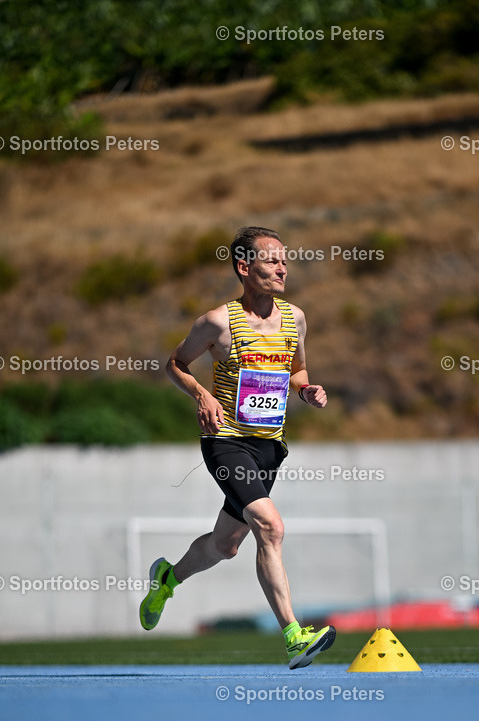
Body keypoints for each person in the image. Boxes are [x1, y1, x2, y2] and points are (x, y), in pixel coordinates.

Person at [139, 226, 336, 669]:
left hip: (269, 446)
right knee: (270, 526)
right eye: (272, 260)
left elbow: (298, 370)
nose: (282, 267)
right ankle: (293, 636)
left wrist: (306, 391)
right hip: (226, 441)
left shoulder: (296, 318)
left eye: (285, 260)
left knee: (226, 545)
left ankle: (167, 579)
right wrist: (202, 395)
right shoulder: (216, 323)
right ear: (245, 268)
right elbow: (174, 363)